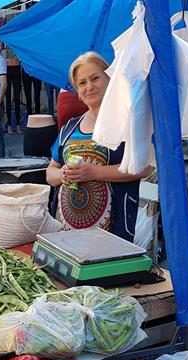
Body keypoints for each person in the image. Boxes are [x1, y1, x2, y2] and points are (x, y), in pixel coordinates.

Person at [45, 52, 150, 241]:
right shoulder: (70, 128)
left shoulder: (127, 123)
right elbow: (50, 171)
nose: (89, 87)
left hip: (112, 234)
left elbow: (142, 168)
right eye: (82, 83)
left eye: (95, 78)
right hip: (66, 235)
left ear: (109, 79)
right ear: (77, 91)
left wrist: (93, 173)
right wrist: (62, 175)